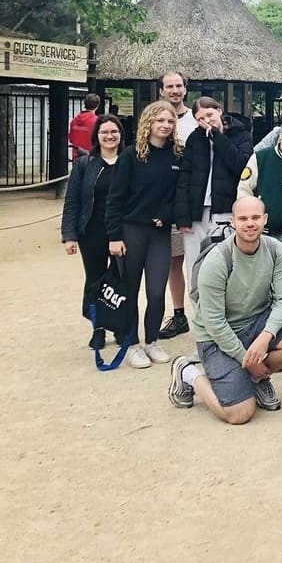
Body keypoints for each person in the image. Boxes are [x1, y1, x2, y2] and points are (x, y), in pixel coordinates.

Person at [167, 197, 282, 423]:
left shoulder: (276, 250)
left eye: (255, 217)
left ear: (265, 219)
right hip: (216, 336)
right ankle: (189, 372)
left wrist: (265, 336)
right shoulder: (217, 259)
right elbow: (214, 322)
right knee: (240, 414)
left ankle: (256, 379)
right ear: (232, 222)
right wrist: (247, 359)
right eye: (243, 219)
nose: (250, 223)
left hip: (256, 323)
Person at [105, 101, 183, 369]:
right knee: (129, 290)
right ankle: (131, 343)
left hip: (159, 232)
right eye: (160, 120)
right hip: (131, 230)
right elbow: (115, 198)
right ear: (148, 122)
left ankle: (152, 340)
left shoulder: (177, 156)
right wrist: (114, 236)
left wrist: (168, 215)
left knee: (157, 291)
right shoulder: (131, 155)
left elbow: (179, 194)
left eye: (170, 121)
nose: (165, 125)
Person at [174, 97, 254, 340]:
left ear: (219, 111)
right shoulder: (194, 139)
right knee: (195, 266)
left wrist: (218, 137)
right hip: (197, 211)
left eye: (209, 115)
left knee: (226, 266)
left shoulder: (240, 134)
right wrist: (183, 216)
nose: (206, 121)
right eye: (200, 118)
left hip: (225, 210)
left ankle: (230, 320)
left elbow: (240, 165)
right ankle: (202, 320)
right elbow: (185, 177)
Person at [62, 114, 124, 348]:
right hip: (92, 230)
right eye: (104, 132)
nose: (109, 136)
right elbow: (73, 200)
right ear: (96, 136)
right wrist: (69, 235)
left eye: (114, 131)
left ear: (121, 134)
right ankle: (98, 327)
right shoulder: (85, 164)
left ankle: (119, 324)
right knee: (95, 280)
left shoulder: (128, 162)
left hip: (121, 230)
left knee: (121, 280)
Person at [238, 118, 282, 270]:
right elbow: (244, 190)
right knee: (260, 273)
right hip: (261, 230)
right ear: (281, 134)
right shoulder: (260, 157)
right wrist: (250, 219)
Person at [157, 71, 197, 340]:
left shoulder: (195, 119)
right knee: (174, 261)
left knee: (200, 260)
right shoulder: (156, 119)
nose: (175, 90)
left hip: (193, 199)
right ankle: (179, 313)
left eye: (179, 85)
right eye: (169, 86)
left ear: (185, 88)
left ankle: (207, 313)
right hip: (167, 200)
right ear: (162, 90)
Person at [68, 93, 101, 159]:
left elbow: (71, 139)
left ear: (85, 104)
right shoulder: (97, 121)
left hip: (77, 157)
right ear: (98, 105)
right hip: (92, 157)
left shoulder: (74, 121)